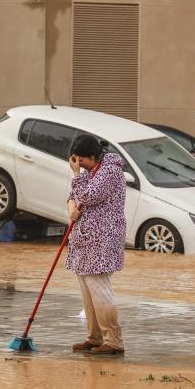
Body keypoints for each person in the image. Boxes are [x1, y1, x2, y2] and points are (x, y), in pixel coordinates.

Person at [66, 134, 126, 355]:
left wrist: (76, 174)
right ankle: (94, 337)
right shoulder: (93, 171)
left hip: (102, 239)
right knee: (87, 290)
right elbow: (74, 196)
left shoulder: (110, 171)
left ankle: (113, 340)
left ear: (92, 156)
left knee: (100, 289)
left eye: (82, 161)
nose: (80, 165)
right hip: (85, 240)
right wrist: (71, 206)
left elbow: (88, 196)